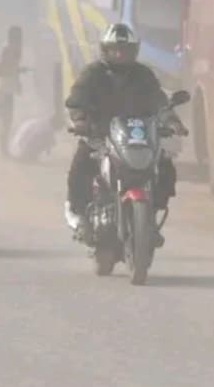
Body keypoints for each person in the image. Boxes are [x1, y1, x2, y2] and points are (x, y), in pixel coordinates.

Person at [63, 23, 175, 239]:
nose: (119, 54)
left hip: (137, 137)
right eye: (114, 49)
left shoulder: (143, 75)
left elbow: (159, 100)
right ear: (105, 50)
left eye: (124, 50)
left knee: (165, 165)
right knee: (81, 164)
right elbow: (76, 100)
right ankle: (79, 214)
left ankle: (151, 216)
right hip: (99, 135)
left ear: (134, 51)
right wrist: (80, 120)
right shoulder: (93, 73)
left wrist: (170, 119)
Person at [0, 25, 26, 156]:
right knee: (6, 119)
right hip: (3, 87)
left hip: (1, 86)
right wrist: (17, 73)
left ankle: (4, 149)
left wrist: (17, 71)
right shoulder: (11, 49)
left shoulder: (8, 48)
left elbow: (6, 67)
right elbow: (4, 69)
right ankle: (4, 150)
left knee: (5, 119)